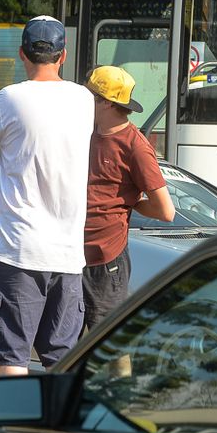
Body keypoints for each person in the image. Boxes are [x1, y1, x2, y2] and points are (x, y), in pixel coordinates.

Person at [0, 16, 94, 375]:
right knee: (62, 360)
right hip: (68, 258)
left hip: (16, 251)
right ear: (63, 56)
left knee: (11, 358)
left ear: (22, 54)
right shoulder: (84, 100)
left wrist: (8, 158)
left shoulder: (10, 98)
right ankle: (59, 431)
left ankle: (12, 431)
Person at [82, 66, 174, 331]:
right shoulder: (84, 133)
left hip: (105, 262)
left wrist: (127, 201)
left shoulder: (136, 146)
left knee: (107, 346)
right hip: (71, 255)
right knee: (66, 346)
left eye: (90, 96)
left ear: (107, 103)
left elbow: (166, 211)